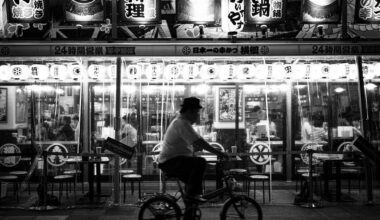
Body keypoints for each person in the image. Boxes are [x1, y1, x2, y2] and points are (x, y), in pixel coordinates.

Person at [158, 97, 229, 203]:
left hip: (174, 161)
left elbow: (195, 141)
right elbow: (199, 141)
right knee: (200, 162)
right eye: (197, 112)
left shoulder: (182, 122)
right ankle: (194, 195)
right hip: (170, 162)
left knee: (192, 183)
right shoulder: (181, 123)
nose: (197, 116)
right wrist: (219, 152)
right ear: (190, 111)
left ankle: (190, 207)